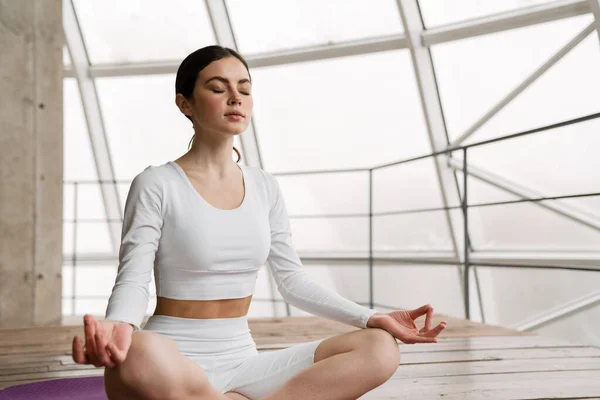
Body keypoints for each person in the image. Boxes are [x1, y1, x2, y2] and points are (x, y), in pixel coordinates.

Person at [71, 45, 447, 400]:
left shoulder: (264, 186)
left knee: (379, 347)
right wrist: (119, 327)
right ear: (184, 103)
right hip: (170, 361)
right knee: (135, 354)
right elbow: (133, 277)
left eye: (244, 89)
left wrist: (372, 317)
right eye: (218, 88)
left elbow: (292, 281)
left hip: (244, 365)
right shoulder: (156, 183)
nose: (236, 97)